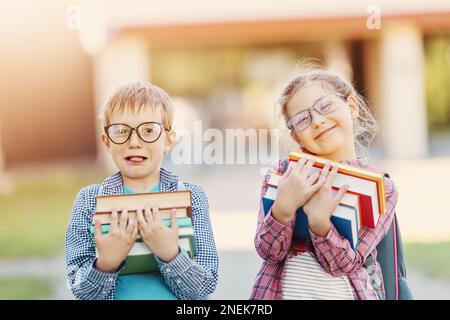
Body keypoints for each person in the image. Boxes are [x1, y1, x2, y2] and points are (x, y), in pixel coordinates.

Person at [251, 67, 399, 300]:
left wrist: (320, 224)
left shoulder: (381, 188)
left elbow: (345, 265)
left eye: (326, 106)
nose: (318, 121)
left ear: (351, 107)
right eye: (302, 119)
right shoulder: (282, 173)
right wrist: (283, 210)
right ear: (296, 136)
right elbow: (268, 251)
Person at [65, 82, 218, 300]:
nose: (134, 142)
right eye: (121, 131)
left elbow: (205, 285)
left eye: (149, 130)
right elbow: (81, 291)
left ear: (168, 140)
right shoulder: (89, 201)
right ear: (107, 141)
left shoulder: (191, 197)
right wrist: (106, 264)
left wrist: (170, 255)